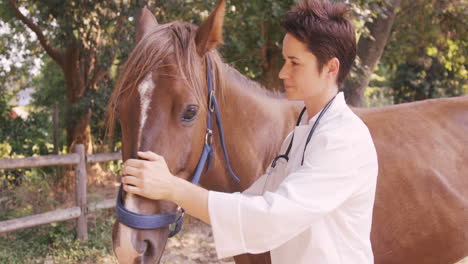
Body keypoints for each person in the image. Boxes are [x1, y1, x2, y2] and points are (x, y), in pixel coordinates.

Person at [121, 0, 378, 263]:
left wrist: (172, 188)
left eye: (294, 62)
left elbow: (270, 217)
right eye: (284, 60)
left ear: (331, 68)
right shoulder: (300, 135)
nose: (282, 72)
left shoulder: (345, 140)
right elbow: (251, 201)